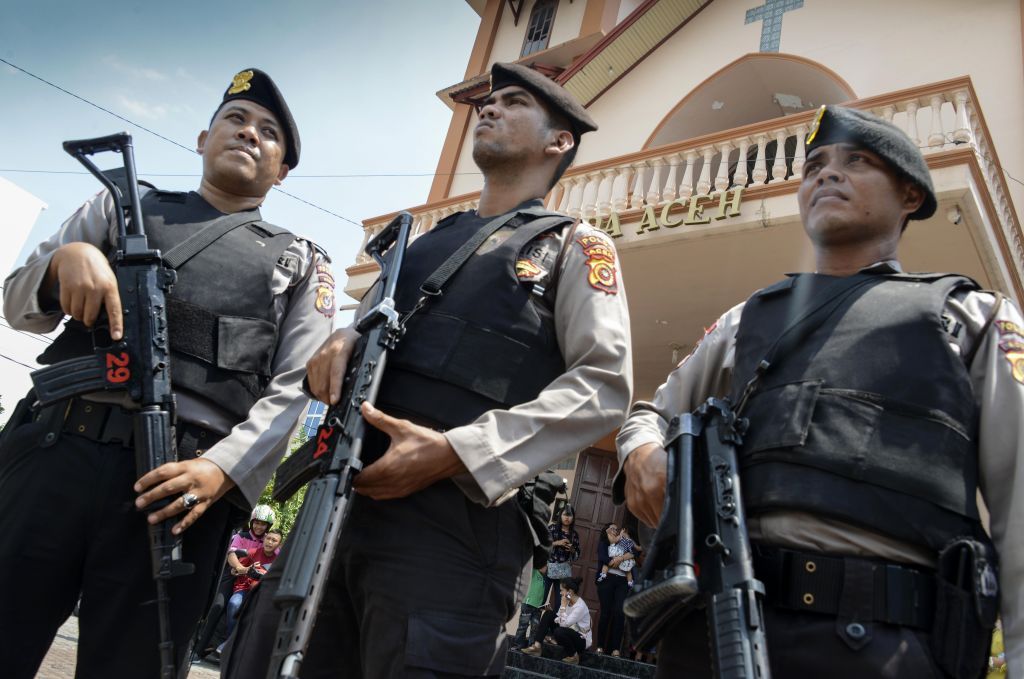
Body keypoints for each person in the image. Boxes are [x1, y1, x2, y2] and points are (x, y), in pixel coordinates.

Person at [223, 61, 633, 678]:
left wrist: (458, 451)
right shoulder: (420, 244)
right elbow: (366, 338)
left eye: (513, 102)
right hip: (340, 500)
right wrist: (341, 339)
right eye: (487, 102)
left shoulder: (575, 245)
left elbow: (604, 386)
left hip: (456, 530)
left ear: (560, 141)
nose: (488, 109)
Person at [616, 105, 1022, 678]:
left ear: (910, 195)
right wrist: (641, 454)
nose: (826, 175)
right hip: (716, 634)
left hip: (885, 646)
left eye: (856, 161)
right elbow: (652, 413)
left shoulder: (972, 318)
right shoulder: (746, 319)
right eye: (814, 166)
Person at [0, 68, 333, 678]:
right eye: (235, 121)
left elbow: (295, 390)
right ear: (204, 137)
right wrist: (62, 265)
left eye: (269, 133)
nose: (249, 134)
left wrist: (220, 469)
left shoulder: (301, 261)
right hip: (54, 450)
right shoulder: (121, 204)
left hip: (179, 489)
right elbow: (17, 306)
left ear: (283, 170)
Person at [210, 529, 283, 662]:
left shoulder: (279, 560)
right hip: (243, 589)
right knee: (234, 604)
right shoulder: (254, 552)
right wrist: (244, 569)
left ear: (279, 544)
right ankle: (230, 640)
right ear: (265, 538)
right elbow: (233, 562)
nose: (270, 542)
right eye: (269, 538)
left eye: (274, 540)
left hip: (262, 594)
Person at [521, 576, 592, 664]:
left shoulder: (580, 606)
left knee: (559, 631)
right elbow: (559, 618)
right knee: (548, 614)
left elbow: (564, 624)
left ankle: (574, 656)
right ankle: (537, 647)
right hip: (567, 631)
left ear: (569, 592)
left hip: (581, 640)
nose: (560, 593)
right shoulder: (567, 601)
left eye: (562, 590)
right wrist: (552, 615)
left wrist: (562, 606)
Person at [594, 524, 633, 656]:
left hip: (622, 582)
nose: (615, 530)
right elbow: (605, 559)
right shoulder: (604, 544)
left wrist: (620, 558)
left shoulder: (625, 542)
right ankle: (600, 646)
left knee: (619, 613)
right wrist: (618, 561)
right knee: (605, 613)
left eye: (617, 529)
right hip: (607, 581)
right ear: (606, 531)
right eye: (612, 528)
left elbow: (634, 553)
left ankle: (615, 648)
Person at [544, 506, 581, 603]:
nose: (567, 518)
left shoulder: (574, 535)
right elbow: (541, 546)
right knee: (541, 599)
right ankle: (536, 617)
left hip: (564, 573)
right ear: (560, 515)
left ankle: (556, 618)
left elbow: (577, 556)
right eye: (565, 514)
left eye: (570, 515)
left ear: (573, 518)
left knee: (560, 602)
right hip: (548, 569)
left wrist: (572, 550)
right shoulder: (552, 528)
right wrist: (557, 543)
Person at [511, 567, 547, 651]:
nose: (546, 568)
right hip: (527, 604)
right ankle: (519, 644)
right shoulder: (534, 572)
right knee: (523, 625)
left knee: (535, 627)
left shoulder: (545, 578)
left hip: (538, 608)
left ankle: (531, 645)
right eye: (545, 565)